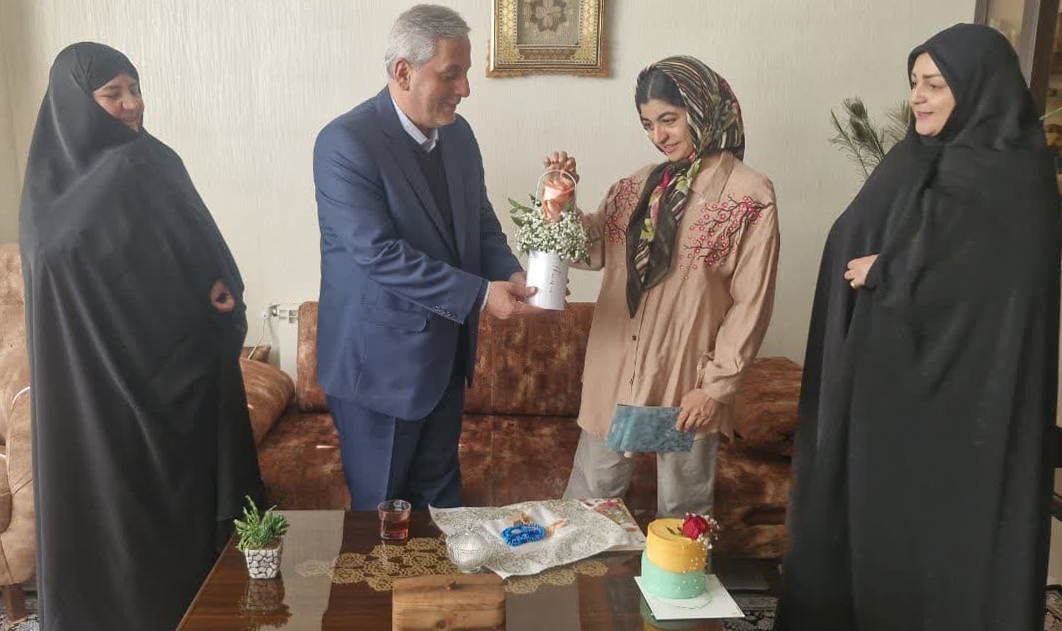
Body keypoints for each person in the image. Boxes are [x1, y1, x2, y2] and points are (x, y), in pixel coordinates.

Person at [775, 24, 1060, 631]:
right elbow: (862, 235)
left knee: (946, 544)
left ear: (977, 87)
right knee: (872, 531)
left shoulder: (1016, 177)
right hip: (886, 393)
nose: (917, 98)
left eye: (934, 84)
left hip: (966, 413)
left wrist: (892, 269)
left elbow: (1002, 286)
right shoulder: (911, 158)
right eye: (913, 83)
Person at [19, 42, 263, 631]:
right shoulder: (46, 187)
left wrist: (215, 294)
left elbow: (206, 264)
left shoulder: (145, 163)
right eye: (113, 93)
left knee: (145, 531)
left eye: (135, 88)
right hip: (85, 387)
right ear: (74, 103)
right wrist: (216, 292)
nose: (131, 104)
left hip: (154, 388)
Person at [313, 4, 538, 512]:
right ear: (403, 72)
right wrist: (481, 295)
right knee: (381, 520)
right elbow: (378, 253)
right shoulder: (344, 143)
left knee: (443, 512)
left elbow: (481, 226)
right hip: (378, 373)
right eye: (451, 74)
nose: (465, 89)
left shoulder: (460, 136)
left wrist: (513, 273)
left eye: (466, 73)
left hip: (445, 364)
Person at [554, 56, 780, 518]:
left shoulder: (748, 195)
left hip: (684, 382)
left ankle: (676, 575)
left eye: (669, 120)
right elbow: (592, 251)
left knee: (683, 514)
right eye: (648, 124)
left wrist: (715, 387)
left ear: (702, 110)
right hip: (616, 376)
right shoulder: (635, 187)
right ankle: (587, 572)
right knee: (589, 506)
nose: (659, 135)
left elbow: (751, 303)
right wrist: (562, 204)